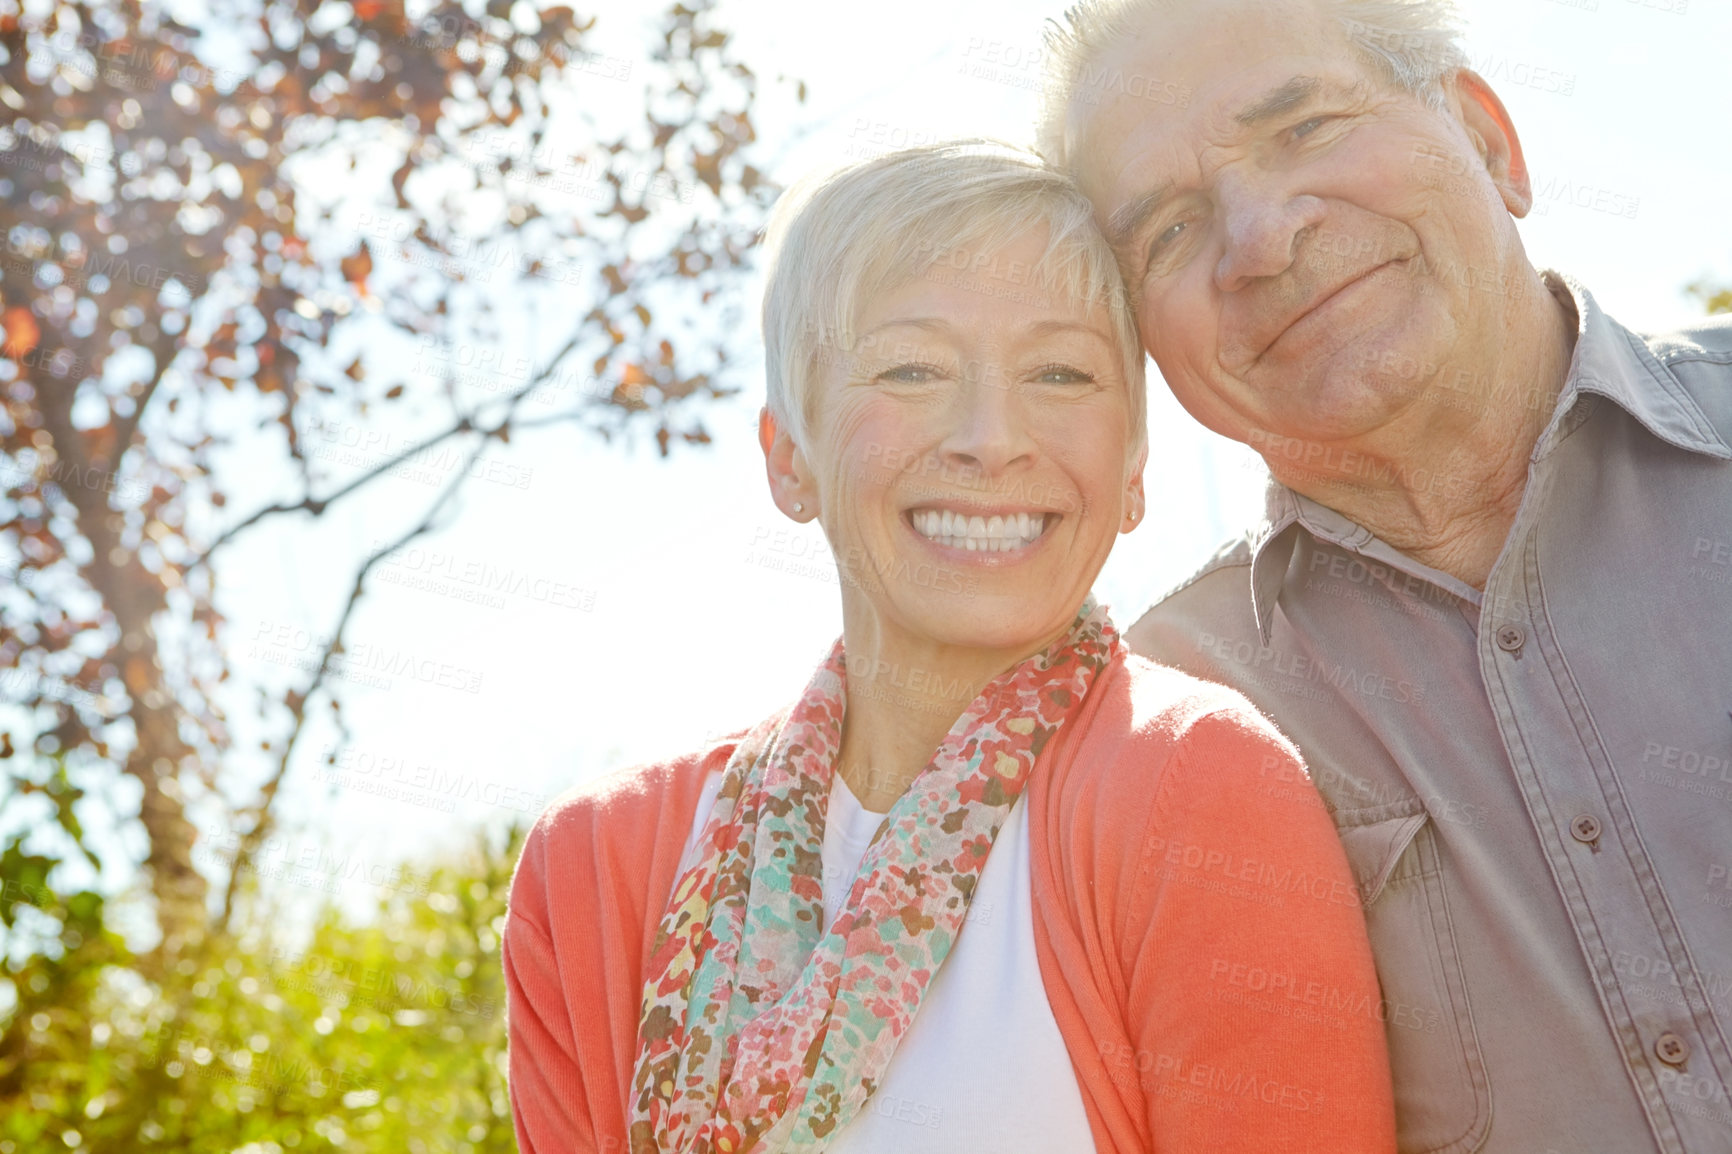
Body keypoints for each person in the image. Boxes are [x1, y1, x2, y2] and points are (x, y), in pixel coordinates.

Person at [502, 141, 1395, 1153]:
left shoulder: (1197, 789)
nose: (989, 435)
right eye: (911, 368)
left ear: (1133, 465)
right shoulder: (593, 865)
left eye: (1060, 372)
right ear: (788, 457)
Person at [1037, 1, 1732, 1151]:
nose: (1259, 237)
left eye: (1305, 127)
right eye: (1166, 230)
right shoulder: (1143, 724)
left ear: (1490, 140)